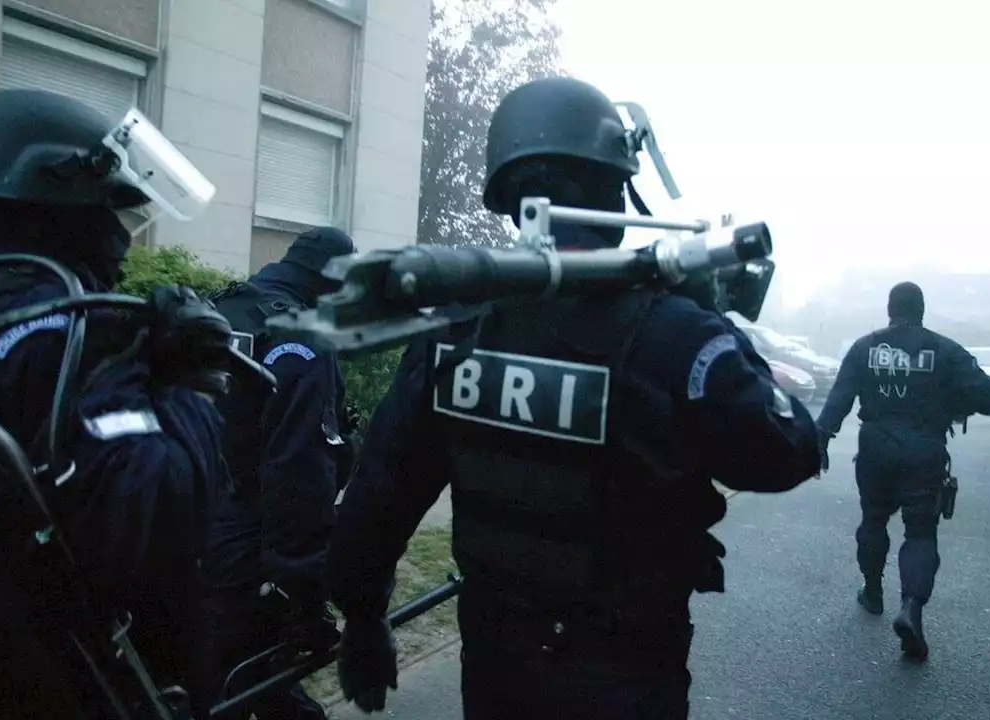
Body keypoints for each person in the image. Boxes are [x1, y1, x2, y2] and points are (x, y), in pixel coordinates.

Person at [324, 76, 823, 719]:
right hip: (626, 675)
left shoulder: (457, 325)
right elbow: (786, 453)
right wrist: (718, 323)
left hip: (496, 670)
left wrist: (363, 619)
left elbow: (381, 492)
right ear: (613, 187)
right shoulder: (675, 329)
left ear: (507, 197)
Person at [0, 88, 235, 716]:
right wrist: (185, 383)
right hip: (65, 674)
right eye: (116, 209)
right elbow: (159, 517)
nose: (123, 238)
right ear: (64, 194)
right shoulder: (78, 326)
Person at [203, 227, 360, 718]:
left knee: (219, 681)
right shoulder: (301, 336)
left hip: (185, 526)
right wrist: (304, 590)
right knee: (247, 683)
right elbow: (298, 471)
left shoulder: (217, 308)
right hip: (246, 547)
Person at [815, 281, 990, 661]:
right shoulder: (945, 350)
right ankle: (911, 608)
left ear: (889, 309)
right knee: (920, 532)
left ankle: (872, 591)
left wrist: (819, 442)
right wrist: (953, 398)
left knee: (873, 519)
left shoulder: (864, 347)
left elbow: (839, 399)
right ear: (921, 310)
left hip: (875, 450)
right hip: (924, 452)